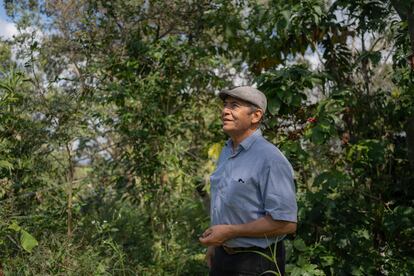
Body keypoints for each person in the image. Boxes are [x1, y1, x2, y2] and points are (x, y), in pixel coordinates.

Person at [199, 86, 298, 276]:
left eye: (234, 106)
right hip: (222, 256)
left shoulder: (270, 159)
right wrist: (216, 245)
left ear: (256, 116)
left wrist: (231, 232)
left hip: (257, 262)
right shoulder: (227, 151)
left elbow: (286, 223)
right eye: (225, 105)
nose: (225, 111)